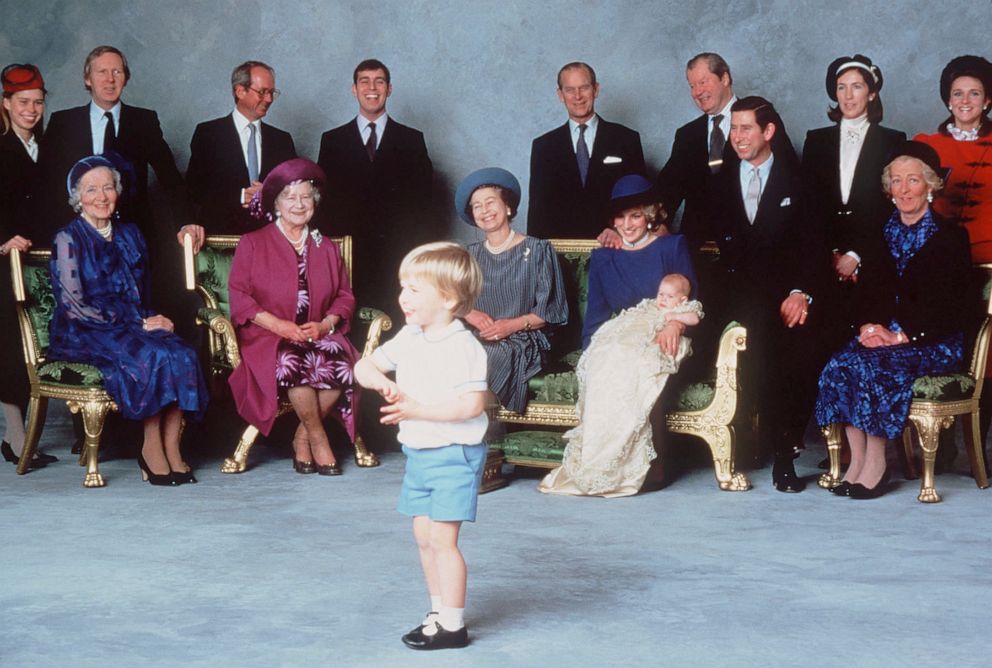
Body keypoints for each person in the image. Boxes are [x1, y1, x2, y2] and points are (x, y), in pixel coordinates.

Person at [815, 141, 971, 499]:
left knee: (872, 367)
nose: (904, 189)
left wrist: (902, 336)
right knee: (841, 364)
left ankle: (876, 464)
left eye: (913, 180)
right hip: (883, 336)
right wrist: (868, 327)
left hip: (935, 341)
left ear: (930, 185)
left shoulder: (950, 238)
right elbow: (867, 294)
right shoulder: (879, 234)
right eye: (896, 181)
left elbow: (952, 306)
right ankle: (856, 461)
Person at [355, 242, 487, 651]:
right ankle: (437, 610)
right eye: (402, 287)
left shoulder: (463, 346)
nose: (402, 297)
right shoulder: (411, 337)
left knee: (443, 540)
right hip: (420, 453)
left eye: (414, 289)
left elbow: (472, 405)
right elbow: (364, 365)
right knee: (423, 536)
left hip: (454, 454)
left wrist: (418, 408)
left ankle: (453, 625)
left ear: (448, 298)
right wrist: (382, 380)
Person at [48, 156, 207, 485]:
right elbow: (75, 306)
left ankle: (172, 446)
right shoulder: (67, 239)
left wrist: (151, 318)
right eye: (92, 189)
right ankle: (151, 447)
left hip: (133, 320)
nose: (102, 196)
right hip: (84, 330)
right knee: (153, 355)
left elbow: (142, 292)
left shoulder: (131, 234)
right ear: (78, 196)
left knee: (183, 353)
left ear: (118, 192)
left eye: (108, 187)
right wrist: (139, 321)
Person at [709, 96, 827, 493]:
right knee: (763, 340)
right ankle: (776, 447)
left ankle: (787, 447)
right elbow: (695, 230)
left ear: (768, 131)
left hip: (788, 289)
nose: (737, 137)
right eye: (733, 128)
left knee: (808, 342)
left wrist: (800, 292)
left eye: (745, 128)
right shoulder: (720, 178)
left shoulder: (801, 179)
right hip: (740, 290)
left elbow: (814, 245)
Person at [228, 158, 358, 476]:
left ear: (314, 202)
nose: (299, 204)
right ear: (276, 203)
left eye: (306, 197)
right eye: (290, 197)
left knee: (342, 363)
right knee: (292, 361)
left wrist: (326, 324)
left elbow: (345, 296)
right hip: (269, 336)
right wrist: (280, 326)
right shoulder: (253, 243)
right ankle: (318, 438)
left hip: (317, 332)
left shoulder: (325, 246)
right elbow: (239, 295)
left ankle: (302, 438)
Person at [539, 273, 702, 497]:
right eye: (660, 294)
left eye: (670, 296)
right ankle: (597, 454)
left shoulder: (686, 309)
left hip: (663, 344)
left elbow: (694, 319)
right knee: (611, 354)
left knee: (640, 365)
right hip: (638, 340)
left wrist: (673, 317)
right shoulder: (651, 306)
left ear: (683, 299)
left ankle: (619, 465)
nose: (663, 299)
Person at [802, 55, 906, 353]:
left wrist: (855, 255)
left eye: (857, 87)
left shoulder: (892, 140)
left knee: (864, 338)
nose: (848, 96)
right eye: (841, 87)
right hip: (825, 258)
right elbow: (810, 205)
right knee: (820, 341)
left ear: (871, 93)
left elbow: (891, 207)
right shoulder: (817, 140)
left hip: (871, 256)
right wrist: (832, 254)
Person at [316, 59, 434, 315]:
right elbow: (323, 206)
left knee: (399, 330)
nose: (372, 88)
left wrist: (420, 256)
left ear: (389, 89)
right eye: (364, 81)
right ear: (354, 89)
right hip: (349, 257)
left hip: (399, 257)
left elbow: (426, 205)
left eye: (379, 81)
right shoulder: (332, 141)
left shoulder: (412, 140)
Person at [41, 46, 183, 243]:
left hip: (133, 237)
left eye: (117, 71)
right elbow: (46, 183)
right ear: (88, 79)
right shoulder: (63, 122)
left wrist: (187, 222)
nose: (110, 79)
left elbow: (170, 177)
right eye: (102, 72)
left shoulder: (143, 121)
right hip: (76, 237)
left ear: (125, 79)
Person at [454, 167, 568, 413]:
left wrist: (510, 326)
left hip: (525, 337)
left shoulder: (538, 250)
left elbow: (551, 312)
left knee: (487, 355)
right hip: (476, 333)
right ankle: (444, 432)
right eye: (477, 206)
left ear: (507, 206)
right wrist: (468, 313)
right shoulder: (469, 254)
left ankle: (482, 433)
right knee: (448, 348)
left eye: (490, 202)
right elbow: (447, 298)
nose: (484, 211)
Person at [0, 63, 57, 469]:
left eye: (37, 102)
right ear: (5, 103)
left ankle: (29, 430)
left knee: (39, 341)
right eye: (23, 102)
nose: (31, 109)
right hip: (6, 261)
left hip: (43, 258)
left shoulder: (48, 147)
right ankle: (14, 432)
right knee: (9, 344)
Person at [528, 62, 645, 240]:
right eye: (570, 90)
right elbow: (537, 212)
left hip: (616, 245)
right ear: (560, 95)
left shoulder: (626, 139)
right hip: (561, 253)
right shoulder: (543, 147)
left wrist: (617, 232)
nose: (578, 97)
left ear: (596, 90)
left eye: (584, 88)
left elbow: (639, 201)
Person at [184, 60, 297, 243]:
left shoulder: (282, 140)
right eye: (262, 92)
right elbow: (195, 190)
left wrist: (271, 194)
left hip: (273, 242)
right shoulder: (208, 134)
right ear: (240, 91)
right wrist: (240, 195)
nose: (268, 99)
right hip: (221, 243)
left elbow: (295, 193)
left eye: (271, 93)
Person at [581, 175, 697, 350]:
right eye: (620, 217)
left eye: (635, 216)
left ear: (649, 216)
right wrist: (589, 357)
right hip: (623, 343)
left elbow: (691, 302)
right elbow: (594, 320)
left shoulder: (672, 247)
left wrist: (675, 325)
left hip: (665, 342)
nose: (627, 225)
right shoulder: (602, 258)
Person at [656, 53, 739, 255]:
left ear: (725, 78)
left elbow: (785, 179)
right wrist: (655, 224)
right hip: (697, 250)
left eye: (703, 82)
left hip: (748, 247)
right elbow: (667, 189)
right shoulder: (687, 135)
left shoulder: (759, 117)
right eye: (692, 86)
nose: (697, 92)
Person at [914, 55, 992, 261]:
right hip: (940, 258)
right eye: (958, 94)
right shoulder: (925, 145)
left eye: (974, 94)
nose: (965, 101)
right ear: (949, 101)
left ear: (986, 101)